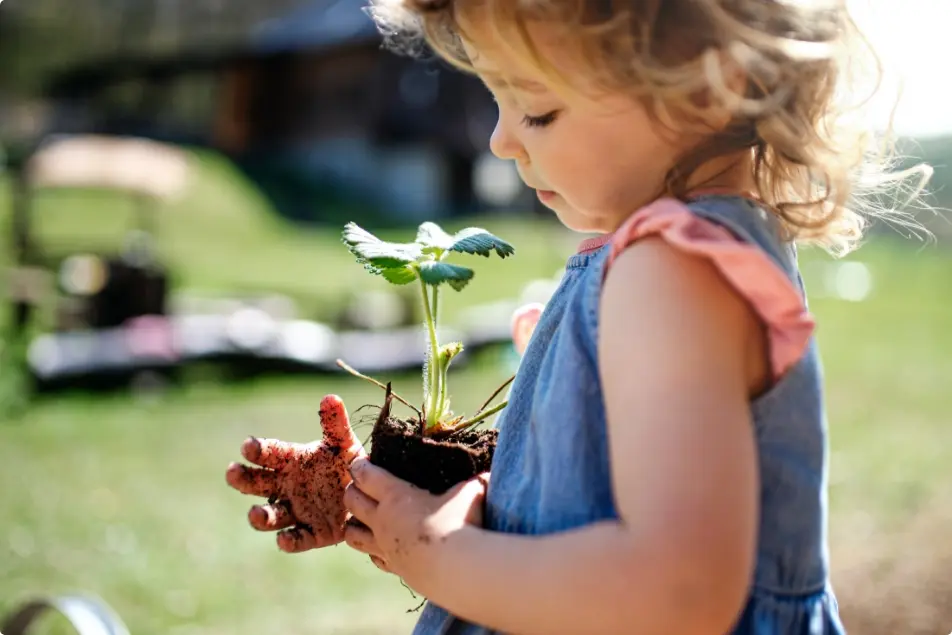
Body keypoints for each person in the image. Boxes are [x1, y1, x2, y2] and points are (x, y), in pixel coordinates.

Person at [226, 1, 929, 632]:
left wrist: (442, 554)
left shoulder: (673, 274)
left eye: (537, 109)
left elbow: (677, 592)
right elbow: (585, 504)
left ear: (709, 84)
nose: (502, 139)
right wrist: (392, 501)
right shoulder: (677, 261)